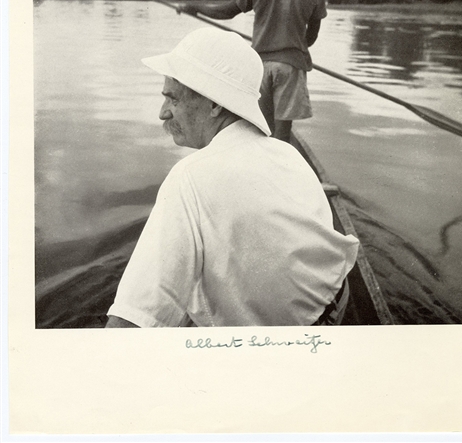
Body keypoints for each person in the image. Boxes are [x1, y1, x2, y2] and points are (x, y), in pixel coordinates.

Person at [106, 28, 358, 328]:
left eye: (172, 99)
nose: (162, 113)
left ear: (215, 104)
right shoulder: (287, 153)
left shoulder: (190, 177)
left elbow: (132, 320)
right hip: (337, 311)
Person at [178, 0, 327, 143]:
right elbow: (310, 38)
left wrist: (197, 8)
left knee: (260, 127)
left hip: (259, 67)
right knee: (282, 134)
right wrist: (292, 44)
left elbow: (227, 11)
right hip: (291, 67)